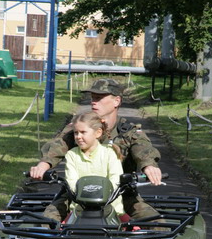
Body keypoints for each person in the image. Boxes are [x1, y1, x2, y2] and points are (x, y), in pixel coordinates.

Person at [30, 78, 162, 220]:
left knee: (155, 222)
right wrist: (43, 165)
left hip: (121, 193)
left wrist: (149, 166)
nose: (93, 102)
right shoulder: (80, 127)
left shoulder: (129, 131)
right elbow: (59, 145)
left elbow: (143, 149)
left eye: (99, 98)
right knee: (47, 221)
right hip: (76, 193)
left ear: (116, 101)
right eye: (92, 97)